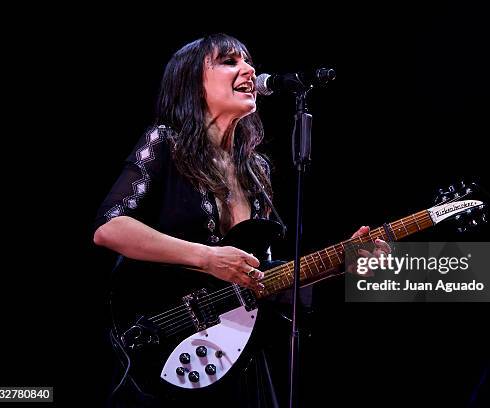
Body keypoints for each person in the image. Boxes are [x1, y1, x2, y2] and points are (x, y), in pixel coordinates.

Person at [93, 33, 390, 407]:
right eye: (230, 62)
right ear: (191, 81)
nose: (249, 69)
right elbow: (110, 227)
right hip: (162, 338)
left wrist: (343, 264)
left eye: (248, 62)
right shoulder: (164, 143)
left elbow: (261, 276)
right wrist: (208, 258)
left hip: (235, 350)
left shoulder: (256, 170)